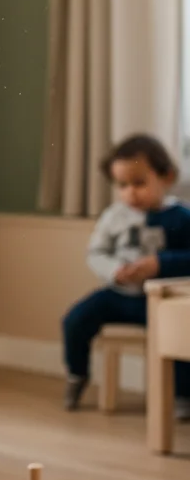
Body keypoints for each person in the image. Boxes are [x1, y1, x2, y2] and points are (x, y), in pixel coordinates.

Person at [62, 133, 190, 415]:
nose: (130, 192)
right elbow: (96, 253)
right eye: (122, 185)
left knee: (179, 334)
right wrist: (114, 272)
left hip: (160, 300)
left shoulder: (180, 217)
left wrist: (161, 264)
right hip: (117, 294)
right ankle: (77, 374)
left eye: (139, 183)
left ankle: (183, 395)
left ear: (166, 177)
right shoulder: (114, 217)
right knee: (75, 319)